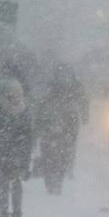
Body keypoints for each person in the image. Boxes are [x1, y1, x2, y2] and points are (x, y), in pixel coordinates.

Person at [0, 77, 33, 217]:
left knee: (11, 183)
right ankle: (5, 215)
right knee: (5, 183)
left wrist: (24, 159)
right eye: (10, 95)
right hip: (3, 153)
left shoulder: (19, 114)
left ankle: (14, 215)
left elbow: (27, 139)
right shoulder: (1, 114)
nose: (13, 99)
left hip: (14, 153)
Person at [36, 64, 89, 194]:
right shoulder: (75, 87)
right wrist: (84, 116)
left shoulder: (56, 87)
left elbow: (41, 104)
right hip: (63, 123)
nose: (64, 78)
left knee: (55, 151)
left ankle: (56, 176)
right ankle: (61, 173)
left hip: (60, 123)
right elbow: (83, 102)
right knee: (63, 150)